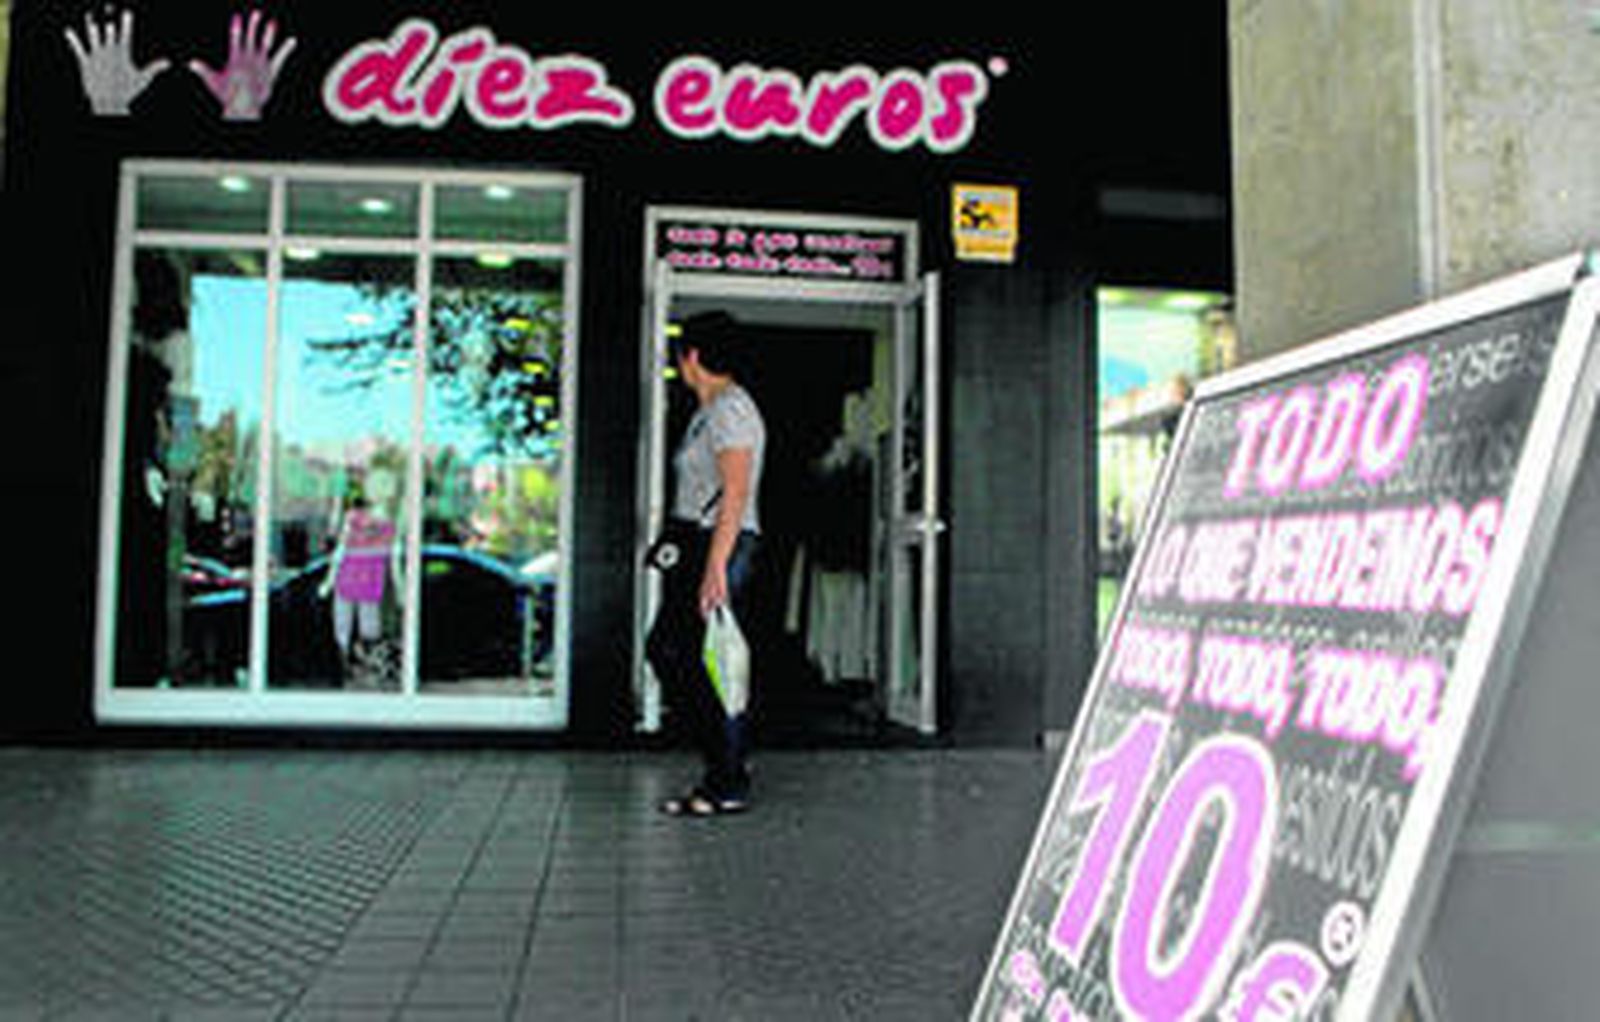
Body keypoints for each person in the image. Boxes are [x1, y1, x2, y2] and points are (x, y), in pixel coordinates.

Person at [647, 311, 766, 816]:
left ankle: (728, 778)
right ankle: (726, 763)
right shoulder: (710, 409)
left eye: (681, 353)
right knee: (678, 653)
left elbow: (737, 490)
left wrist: (716, 564)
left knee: (702, 659)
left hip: (720, 544)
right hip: (702, 542)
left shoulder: (731, 410)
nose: (677, 363)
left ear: (693, 356)